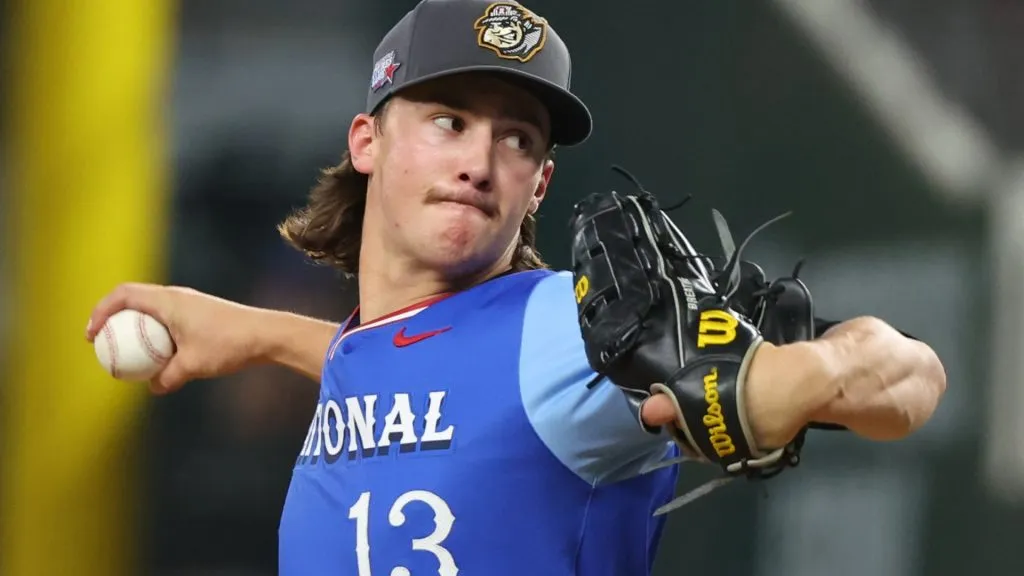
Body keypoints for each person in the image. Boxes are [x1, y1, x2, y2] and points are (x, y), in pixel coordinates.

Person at [85, 0, 948, 574]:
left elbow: (913, 378)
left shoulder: (565, 330)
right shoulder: (380, 345)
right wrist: (254, 330)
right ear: (367, 142)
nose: (477, 161)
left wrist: (797, 381)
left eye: (517, 139)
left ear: (538, 185)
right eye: (449, 120)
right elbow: (432, 379)